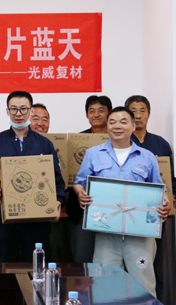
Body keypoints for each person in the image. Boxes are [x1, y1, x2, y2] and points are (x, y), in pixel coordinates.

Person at [73, 106, 170, 296]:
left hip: (140, 235)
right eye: (112, 122)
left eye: (123, 122)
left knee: (144, 286)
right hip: (106, 232)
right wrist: (80, 193)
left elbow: (159, 189)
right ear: (107, 126)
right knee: (103, 285)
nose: (117, 126)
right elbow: (79, 183)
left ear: (133, 126)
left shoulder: (147, 156)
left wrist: (164, 203)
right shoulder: (93, 153)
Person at [0, 91, 65, 262]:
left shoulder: (44, 144)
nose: (18, 114)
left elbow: (57, 181)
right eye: (14, 109)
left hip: (36, 219)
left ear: (31, 111)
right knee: (3, 266)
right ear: (7, 111)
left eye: (23, 109)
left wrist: (58, 201)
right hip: (3, 217)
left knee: (35, 265)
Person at [125, 94, 176, 301]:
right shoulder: (121, 143)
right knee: (129, 264)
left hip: (154, 213)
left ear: (149, 114)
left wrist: (172, 197)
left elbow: (169, 178)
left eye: (142, 111)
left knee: (153, 263)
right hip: (127, 213)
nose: (138, 115)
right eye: (133, 111)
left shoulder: (160, 144)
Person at [68, 94, 113, 262]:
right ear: (87, 115)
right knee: (82, 255)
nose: (96, 114)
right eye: (92, 111)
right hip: (83, 207)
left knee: (109, 258)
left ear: (109, 113)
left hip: (111, 207)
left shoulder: (117, 140)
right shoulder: (77, 141)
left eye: (101, 110)